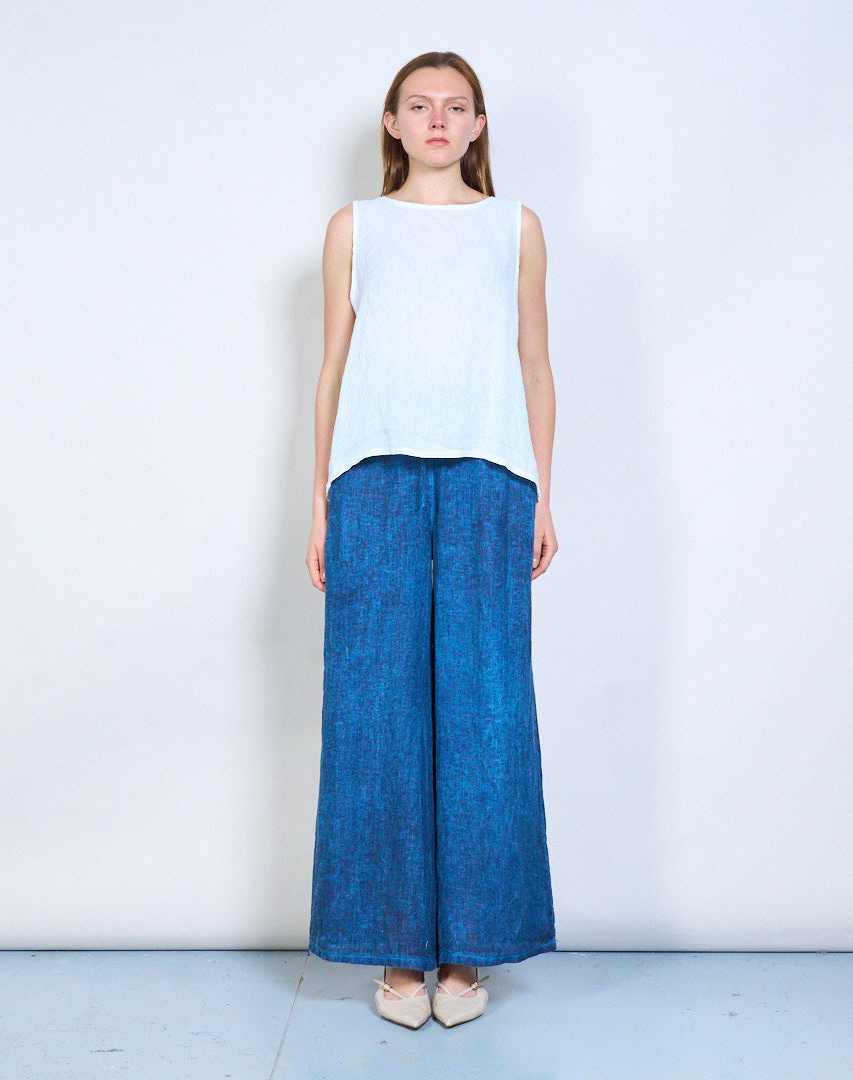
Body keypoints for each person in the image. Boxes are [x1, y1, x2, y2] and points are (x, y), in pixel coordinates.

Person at [304, 50, 558, 1030]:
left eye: (457, 106)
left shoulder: (515, 227)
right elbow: (333, 366)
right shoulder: (356, 228)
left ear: (479, 125)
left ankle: (467, 953)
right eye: (420, 106)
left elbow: (535, 362)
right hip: (373, 476)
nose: (439, 120)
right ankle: (398, 953)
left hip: (490, 477)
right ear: (393, 123)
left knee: (486, 706)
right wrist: (320, 500)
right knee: (375, 709)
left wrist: (542, 493)